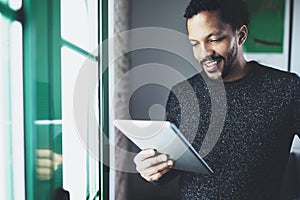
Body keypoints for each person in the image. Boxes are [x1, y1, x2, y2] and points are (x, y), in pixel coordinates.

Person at [133, 0, 300, 199]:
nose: (204, 53)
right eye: (195, 43)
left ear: (241, 35)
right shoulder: (182, 94)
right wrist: (152, 170)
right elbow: (170, 169)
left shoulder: (286, 89)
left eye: (213, 39)